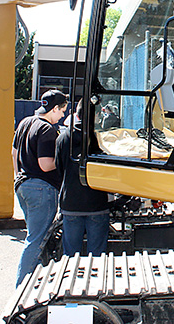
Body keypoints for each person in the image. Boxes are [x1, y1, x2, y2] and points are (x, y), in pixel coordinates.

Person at [12, 89, 68, 286]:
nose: (62, 116)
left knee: (34, 236)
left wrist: (18, 177)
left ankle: (32, 282)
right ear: (54, 109)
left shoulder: (25, 122)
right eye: (62, 111)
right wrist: (64, 159)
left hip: (22, 186)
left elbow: (13, 153)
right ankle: (22, 288)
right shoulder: (47, 130)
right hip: (42, 189)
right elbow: (45, 165)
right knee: (36, 241)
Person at [56, 102, 110, 257]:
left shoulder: (63, 138)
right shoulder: (99, 138)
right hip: (97, 203)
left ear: (76, 114)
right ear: (97, 116)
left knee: (71, 255)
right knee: (98, 255)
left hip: (71, 203)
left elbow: (58, 169)